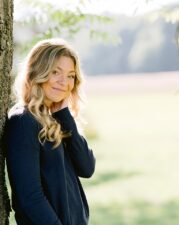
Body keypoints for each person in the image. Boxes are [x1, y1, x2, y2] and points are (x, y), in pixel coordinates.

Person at [5, 38, 96, 225]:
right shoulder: (24, 121)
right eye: (56, 72)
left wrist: (65, 116)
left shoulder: (58, 118)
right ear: (39, 71)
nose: (64, 82)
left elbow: (86, 168)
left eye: (71, 75)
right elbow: (30, 198)